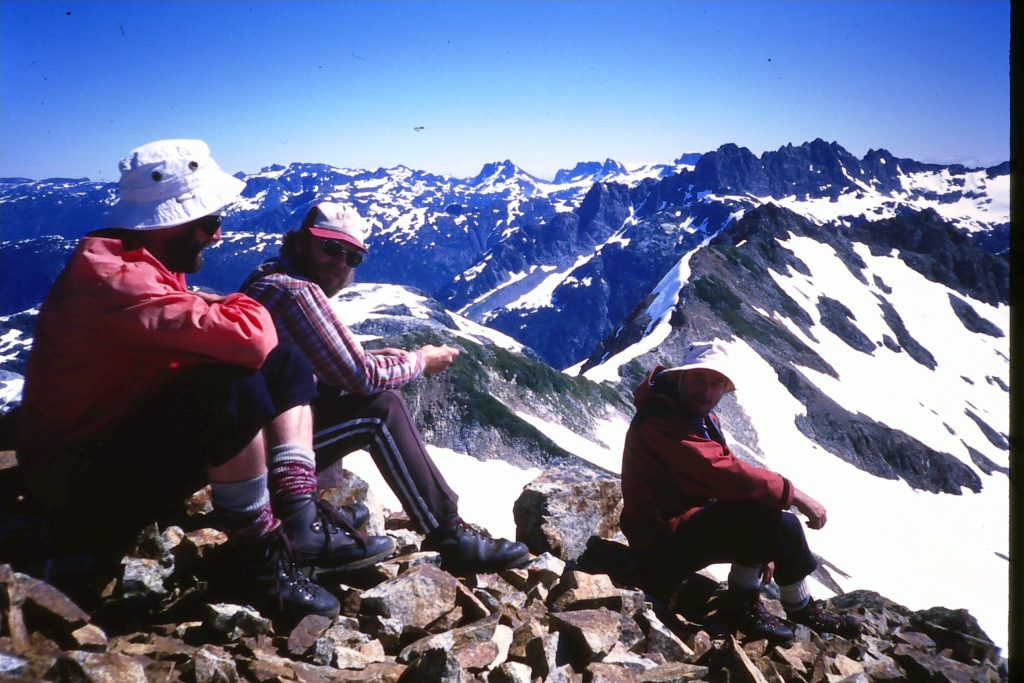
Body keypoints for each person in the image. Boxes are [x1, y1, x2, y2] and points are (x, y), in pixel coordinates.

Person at [16, 140, 394, 625]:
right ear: (170, 223)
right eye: (209, 224)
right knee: (228, 383)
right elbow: (252, 337)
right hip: (79, 484)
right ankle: (256, 557)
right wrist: (256, 301)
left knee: (287, 363)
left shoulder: (134, 259)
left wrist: (218, 307)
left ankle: (299, 523)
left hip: (107, 441)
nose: (216, 237)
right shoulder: (121, 282)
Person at [241, 201, 531, 573]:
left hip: (249, 441)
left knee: (333, 391)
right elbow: (361, 378)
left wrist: (368, 353)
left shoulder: (268, 275)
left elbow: (318, 357)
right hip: (264, 458)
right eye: (330, 248)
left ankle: (311, 511)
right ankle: (449, 534)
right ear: (301, 244)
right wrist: (421, 361)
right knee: (383, 408)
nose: (340, 261)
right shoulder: (297, 292)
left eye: (352, 257)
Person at [620, 340, 861, 641]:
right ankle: (760, 607)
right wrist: (793, 493)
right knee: (779, 518)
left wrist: (764, 545)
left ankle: (785, 606)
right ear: (680, 376)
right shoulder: (661, 421)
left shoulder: (698, 416)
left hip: (679, 526)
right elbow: (720, 473)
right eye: (698, 378)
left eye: (716, 383)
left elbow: (727, 478)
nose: (706, 391)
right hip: (657, 542)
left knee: (768, 514)